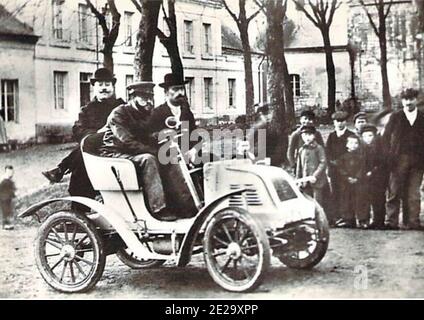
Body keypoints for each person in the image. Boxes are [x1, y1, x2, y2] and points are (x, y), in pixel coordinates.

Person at [42, 68, 125, 209]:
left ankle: (61, 169)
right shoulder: (87, 109)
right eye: (100, 85)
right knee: (81, 170)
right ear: (94, 87)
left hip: (114, 149)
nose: (104, 88)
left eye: (107, 84)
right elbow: (77, 130)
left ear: (113, 86)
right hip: (90, 153)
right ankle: (80, 212)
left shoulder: (121, 107)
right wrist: (97, 133)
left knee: (86, 149)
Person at [100, 81, 177, 221]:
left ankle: (179, 204)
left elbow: (145, 134)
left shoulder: (145, 113)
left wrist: (161, 135)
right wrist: (153, 150)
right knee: (149, 159)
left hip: (131, 152)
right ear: (132, 98)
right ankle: (158, 208)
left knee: (169, 156)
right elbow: (127, 141)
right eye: (143, 98)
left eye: (150, 98)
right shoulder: (119, 113)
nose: (148, 102)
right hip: (114, 154)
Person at [149, 73, 199, 218]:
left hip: (185, 152)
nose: (180, 93)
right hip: (165, 154)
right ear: (166, 93)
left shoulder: (186, 112)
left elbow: (194, 134)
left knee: (208, 161)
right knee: (175, 164)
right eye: (175, 89)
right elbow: (149, 136)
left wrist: (193, 150)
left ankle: (207, 200)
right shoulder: (158, 113)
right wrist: (163, 134)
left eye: (181, 89)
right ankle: (188, 208)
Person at [383, 88, 424, 230]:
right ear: (402, 101)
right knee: (394, 191)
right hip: (398, 159)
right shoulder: (396, 117)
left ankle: (413, 221)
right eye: (405, 99)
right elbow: (385, 138)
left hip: (418, 161)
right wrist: (389, 156)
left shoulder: (422, 117)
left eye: (411, 99)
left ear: (416, 100)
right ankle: (391, 222)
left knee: (414, 193)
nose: (408, 102)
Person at [325, 111, 355, 225]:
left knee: (346, 193)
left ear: (346, 122)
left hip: (346, 170)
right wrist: (331, 164)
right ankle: (336, 217)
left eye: (342, 121)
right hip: (334, 170)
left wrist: (342, 162)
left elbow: (351, 151)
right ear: (334, 122)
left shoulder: (350, 135)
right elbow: (327, 152)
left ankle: (347, 218)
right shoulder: (332, 136)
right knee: (335, 192)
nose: (340, 124)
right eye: (337, 121)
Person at [360, 124, 387, 230]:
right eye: (365, 136)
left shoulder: (379, 148)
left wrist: (373, 171)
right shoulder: (361, 149)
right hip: (364, 177)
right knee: (365, 198)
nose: (368, 139)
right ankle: (365, 220)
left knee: (378, 198)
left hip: (378, 177)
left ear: (375, 136)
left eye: (370, 136)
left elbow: (382, 163)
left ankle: (379, 221)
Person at [335, 135, 366, 228]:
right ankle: (349, 220)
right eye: (351, 143)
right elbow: (340, 168)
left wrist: (357, 177)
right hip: (346, 183)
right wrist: (347, 177)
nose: (353, 145)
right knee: (347, 200)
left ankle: (362, 220)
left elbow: (362, 168)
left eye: (356, 143)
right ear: (347, 144)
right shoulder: (343, 157)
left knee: (359, 200)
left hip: (358, 182)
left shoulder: (361, 157)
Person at [295, 125, 327, 206]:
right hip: (305, 181)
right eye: (305, 135)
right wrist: (298, 180)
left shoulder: (318, 148)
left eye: (309, 135)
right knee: (307, 201)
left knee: (317, 202)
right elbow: (299, 167)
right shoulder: (301, 150)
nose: (307, 137)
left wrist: (315, 175)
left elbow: (323, 162)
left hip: (317, 181)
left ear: (314, 136)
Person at [0, 165, 16, 230]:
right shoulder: (3, 180)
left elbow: (12, 189)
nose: (11, 173)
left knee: (9, 211)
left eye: (11, 172)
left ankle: (9, 224)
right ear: (6, 172)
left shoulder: (10, 180)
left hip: (9, 198)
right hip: (3, 198)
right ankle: (5, 225)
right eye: (9, 172)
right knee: (5, 211)